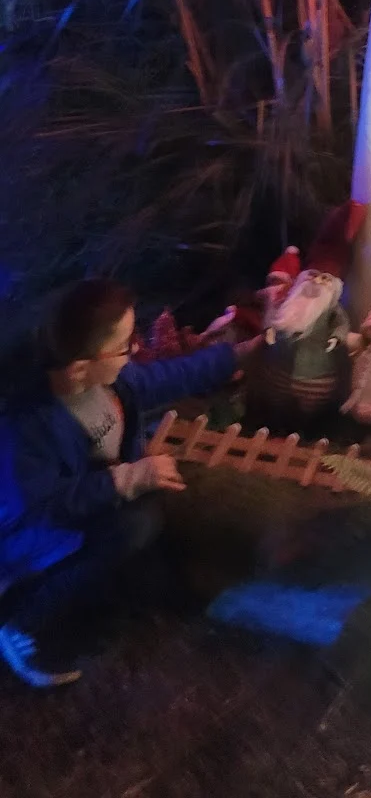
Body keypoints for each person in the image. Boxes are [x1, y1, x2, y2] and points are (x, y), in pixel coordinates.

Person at [0, 279, 258, 688]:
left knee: (149, 515)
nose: (135, 350)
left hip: (93, 504)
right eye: (124, 346)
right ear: (80, 366)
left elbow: (165, 376)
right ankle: (23, 624)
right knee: (136, 523)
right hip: (36, 534)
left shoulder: (109, 383)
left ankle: (122, 588)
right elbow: (43, 507)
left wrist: (242, 353)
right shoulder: (27, 425)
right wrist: (127, 479)